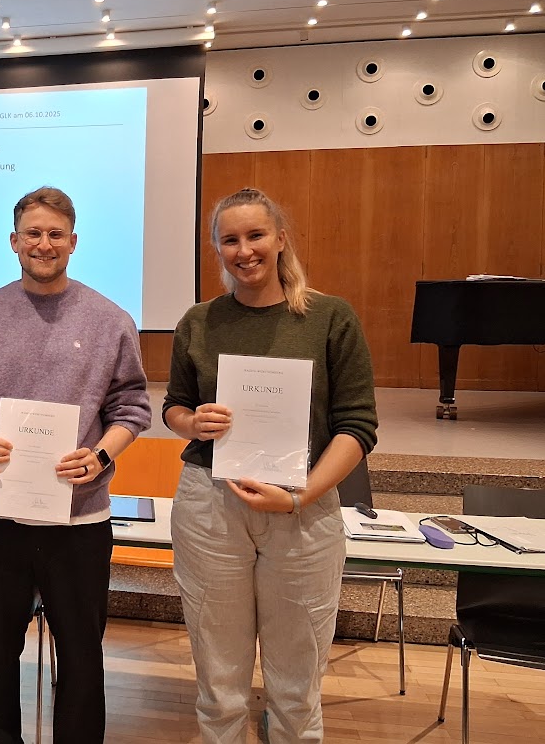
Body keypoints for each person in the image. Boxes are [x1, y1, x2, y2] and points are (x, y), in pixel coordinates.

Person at [163, 187, 378, 744]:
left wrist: (301, 497)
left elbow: (357, 426)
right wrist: (193, 423)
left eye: (256, 235)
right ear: (217, 249)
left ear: (281, 239)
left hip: (303, 507)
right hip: (211, 506)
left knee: (297, 680)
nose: (245, 250)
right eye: (230, 240)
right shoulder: (199, 321)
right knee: (218, 676)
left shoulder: (330, 317)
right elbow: (174, 407)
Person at [0, 186, 151, 743]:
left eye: (56, 234)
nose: (44, 243)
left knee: (81, 656)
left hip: (79, 521)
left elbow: (131, 407)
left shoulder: (110, 320)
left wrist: (101, 455)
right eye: (33, 233)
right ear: (14, 241)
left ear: (73, 242)